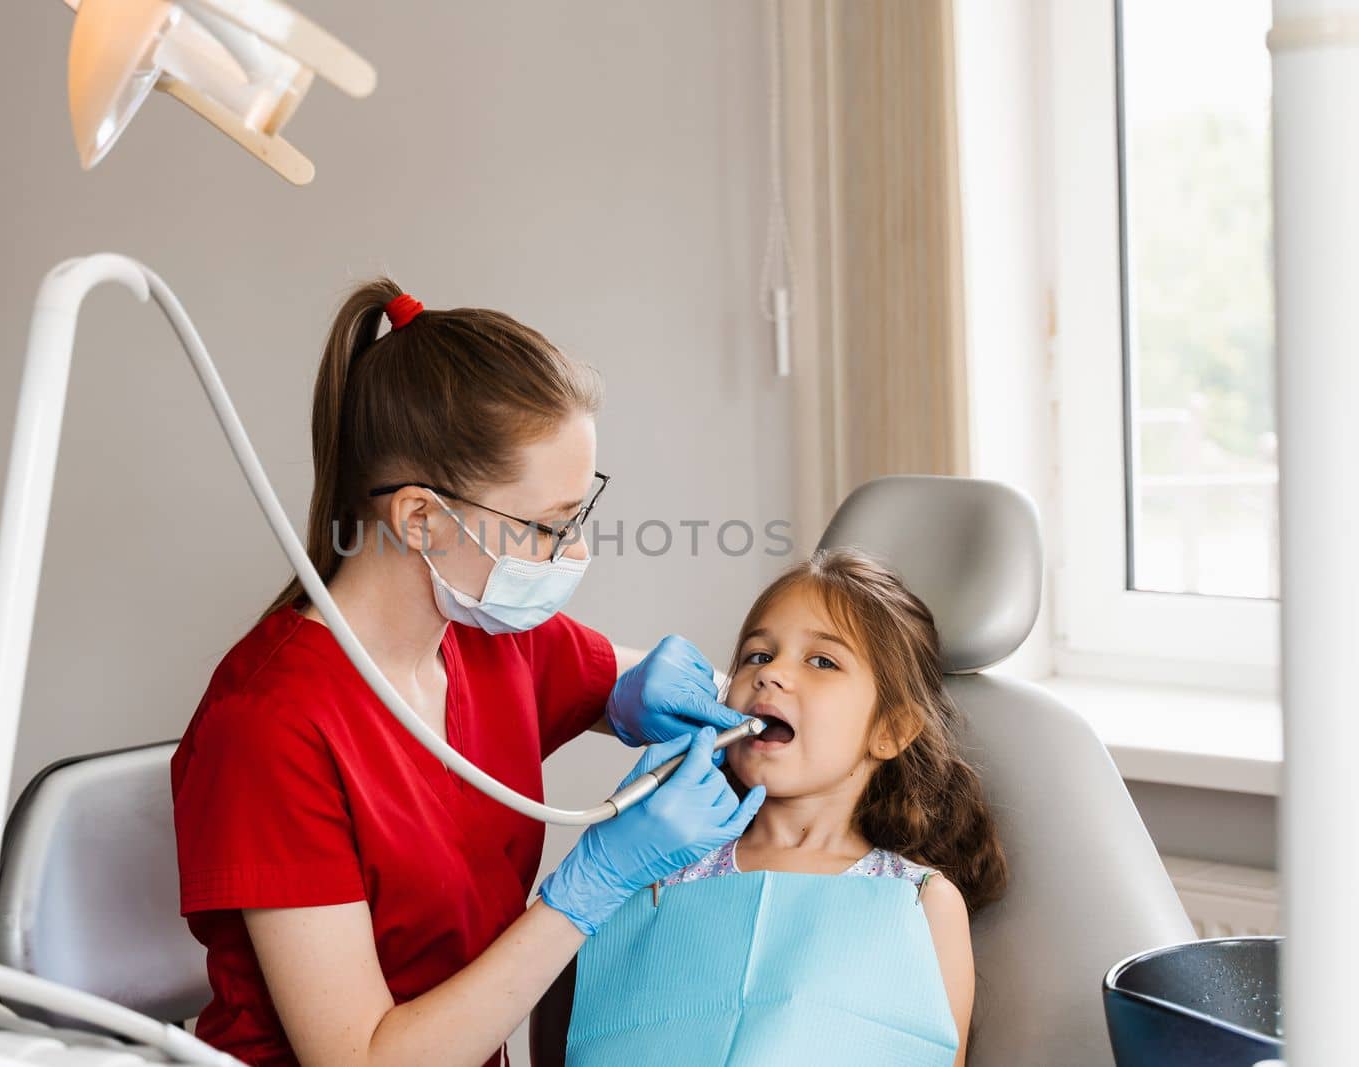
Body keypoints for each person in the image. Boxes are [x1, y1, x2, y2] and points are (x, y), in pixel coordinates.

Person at [170, 279, 764, 1067]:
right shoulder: (270, 725)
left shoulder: (491, 635)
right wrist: (588, 889)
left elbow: (708, 691)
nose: (575, 555)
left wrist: (659, 692)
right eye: (549, 527)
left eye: (579, 517)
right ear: (420, 518)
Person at [569, 547, 1007, 1067]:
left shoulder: (920, 902)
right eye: (758, 655)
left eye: (822, 661)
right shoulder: (661, 866)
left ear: (891, 730)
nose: (771, 674)